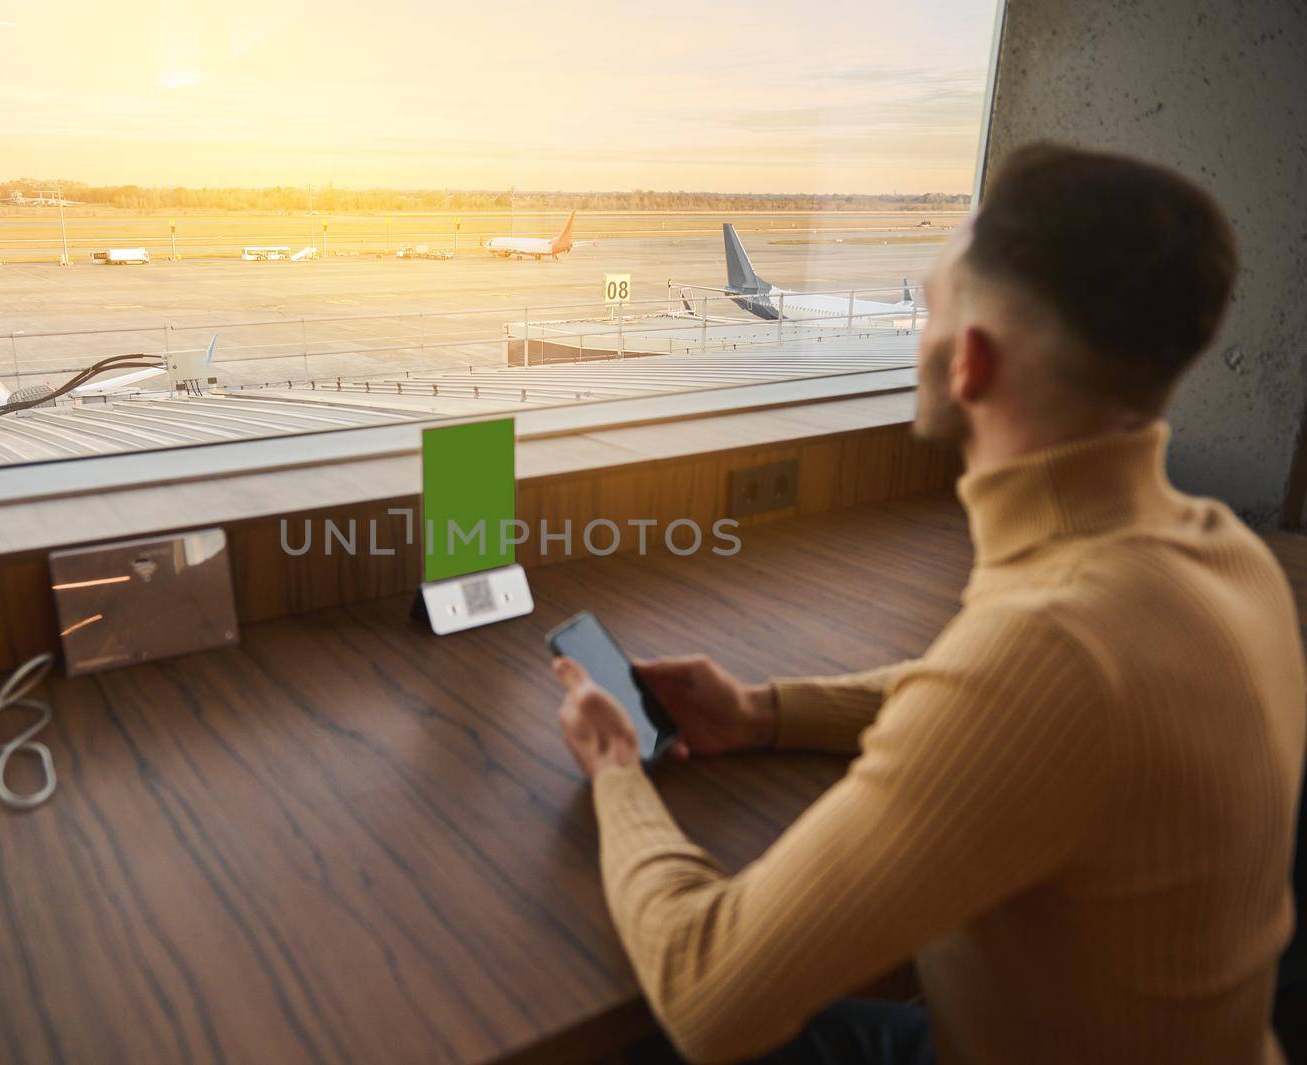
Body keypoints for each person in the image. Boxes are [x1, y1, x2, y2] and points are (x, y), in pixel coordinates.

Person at [551, 142, 1305, 1065]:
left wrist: (617, 768)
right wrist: (766, 710)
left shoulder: (1049, 649)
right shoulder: (1225, 553)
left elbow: (707, 989)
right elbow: (989, 698)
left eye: (929, 310)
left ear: (971, 363)